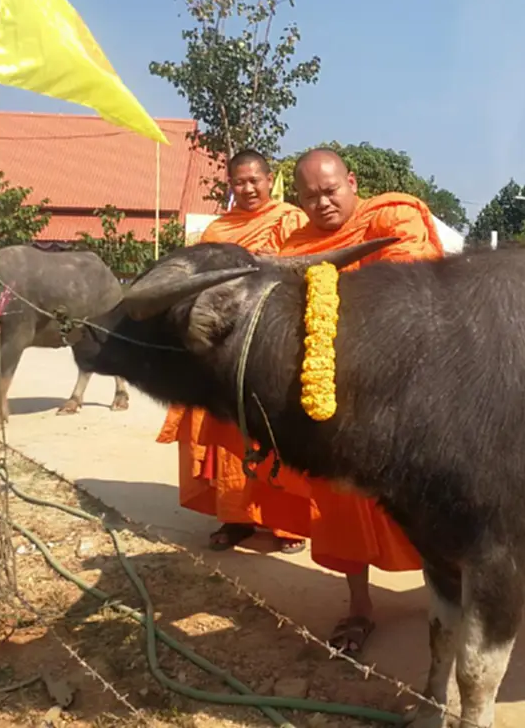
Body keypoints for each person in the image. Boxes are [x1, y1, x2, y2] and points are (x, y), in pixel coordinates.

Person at [256, 146, 446, 658]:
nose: (322, 205)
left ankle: (445, 601)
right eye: (310, 196)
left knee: (427, 506)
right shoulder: (293, 246)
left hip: (402, 395)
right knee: (341, 509)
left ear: (352, 182)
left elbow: (412, 298)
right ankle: (359, 606)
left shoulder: (391, 220)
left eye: (330, 191)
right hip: (333, 405)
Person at [155, 150, 310, 556]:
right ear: (230, 185)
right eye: (239, 182)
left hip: (271, 343)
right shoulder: (217, 230)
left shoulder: (290, 220)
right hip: (222, 345)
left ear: (269, 178)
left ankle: (285, 521)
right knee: (225, 434)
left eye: (254, 180)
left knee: (275, 429)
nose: (247, 188)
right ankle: (236, 518)